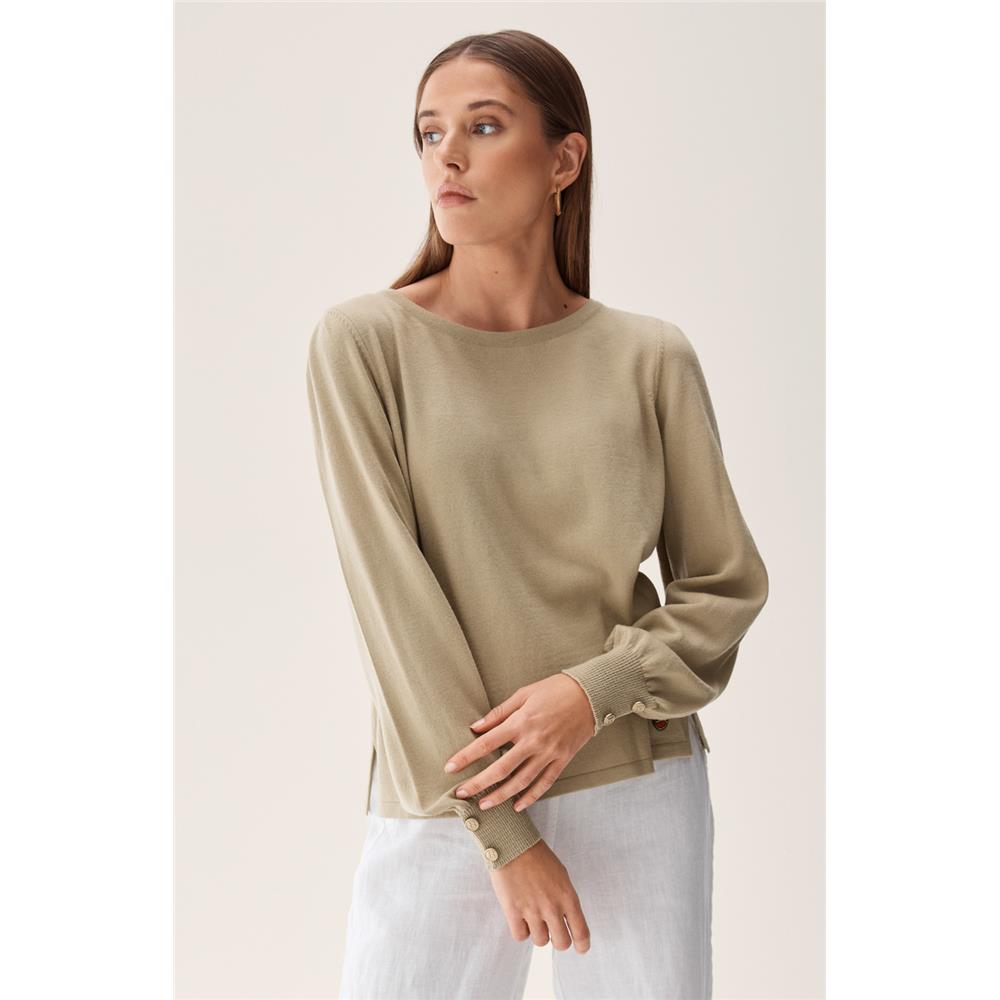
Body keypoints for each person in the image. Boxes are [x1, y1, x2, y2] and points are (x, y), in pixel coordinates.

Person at [305, 29, 769, 1000]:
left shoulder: (650, 357)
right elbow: (395, 608)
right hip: (448, 793)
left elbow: (725, 583)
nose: (447, 156)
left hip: (634, 778)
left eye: (483, 127)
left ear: (564, 160)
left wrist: (589, 691)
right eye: (429, 132)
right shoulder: (365, 344)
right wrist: (502, 831)